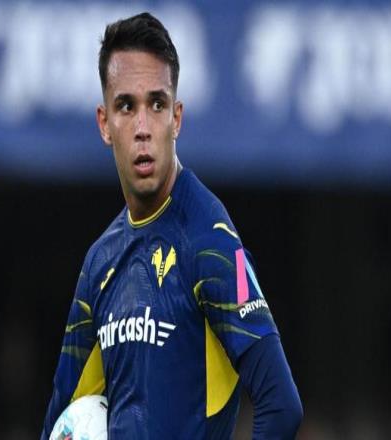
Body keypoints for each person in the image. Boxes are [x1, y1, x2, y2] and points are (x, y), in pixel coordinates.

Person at [41, 12, 302, 439]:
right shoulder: (99, 262)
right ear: (105, 124)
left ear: (176, 119)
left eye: (157, 104)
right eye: (127, 106)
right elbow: (59, 420)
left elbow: (281, 406)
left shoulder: (210, 242)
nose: (143, 128)